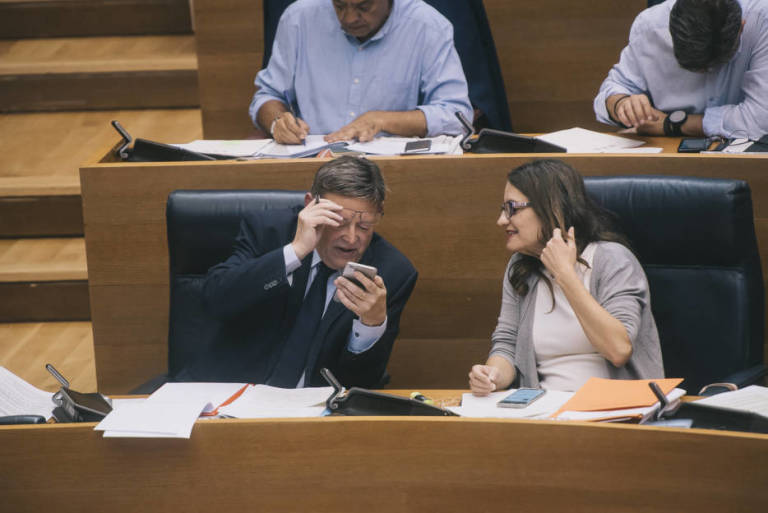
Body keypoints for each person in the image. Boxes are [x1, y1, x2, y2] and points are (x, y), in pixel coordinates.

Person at [179, 156, 418, 388]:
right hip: (232, 392)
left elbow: (363, 383)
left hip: (314, 412)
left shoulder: (391, 273)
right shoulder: (268, 231)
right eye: (339, 221)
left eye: (365, 226)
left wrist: (372, 324)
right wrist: (296, 251)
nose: (352, 237)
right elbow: (216, 301)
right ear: (309, 205)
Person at [468, 160, 664, 395]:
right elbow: (508, 343)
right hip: (545, 410)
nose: (501, 220)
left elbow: (619, 350)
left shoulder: (613, 260)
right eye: (502, 209)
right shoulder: (520, 266)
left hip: (616, 410)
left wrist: (565, 276)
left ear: (551, 208)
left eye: (512, 208)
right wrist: (493, 375)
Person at [250, 0, 473, 144]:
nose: (348, 18)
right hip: (311, 162)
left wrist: (381, 120)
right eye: (339, 5)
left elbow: (456, 116)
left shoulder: (427, 26)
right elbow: (267, 96)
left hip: (392, 170)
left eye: (363, 7)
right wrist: (277, 121)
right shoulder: (299, 18)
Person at [594, 0, 768, 141]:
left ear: (741, 28)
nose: (704, 72)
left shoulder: (762, 20)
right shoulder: (650, 27)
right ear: (671, 31)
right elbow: (614, 89)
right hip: (668, 155)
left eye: (715, 65)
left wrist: (671, 125)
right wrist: (621, 104)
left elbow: (760, 120)